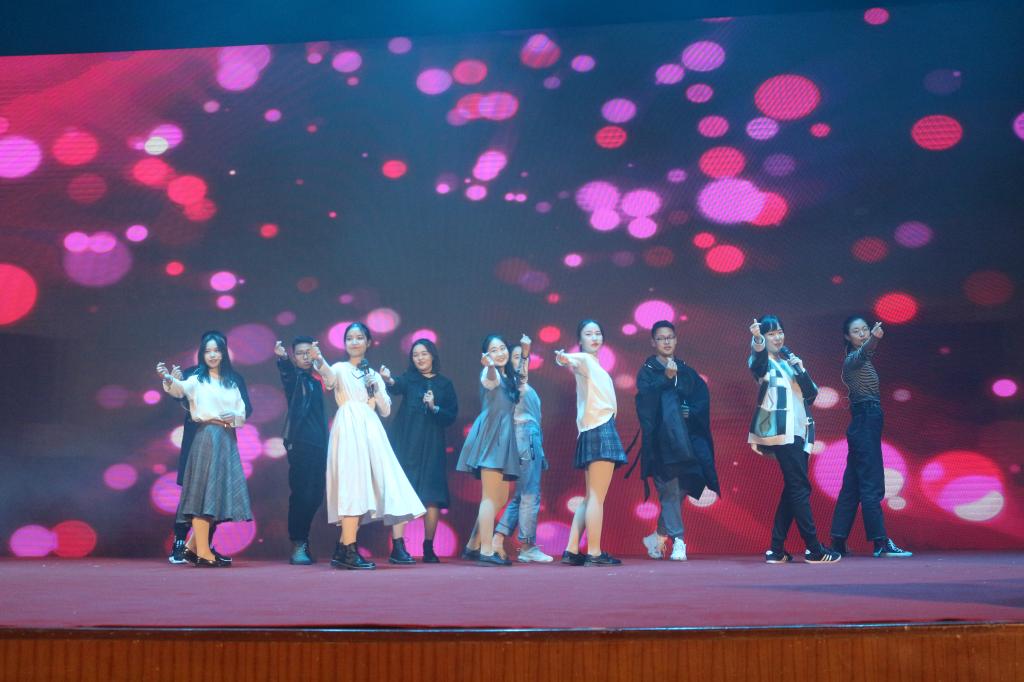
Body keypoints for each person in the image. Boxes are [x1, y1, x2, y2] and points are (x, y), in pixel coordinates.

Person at [312, 323, 425, 570]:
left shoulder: (372, 374)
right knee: (352, 483)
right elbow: (328, 378)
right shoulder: (340, 368)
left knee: (372, 484)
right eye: (349, 338)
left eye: (359, 337)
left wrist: (376, 385)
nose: (354, 342)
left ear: (368, 342)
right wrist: (318, 359)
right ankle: (349, 550)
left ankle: (343, 549)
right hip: (349, 425)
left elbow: (385, 410)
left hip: (372, 430)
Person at [747, 316, 841, 564]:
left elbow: (811, 395)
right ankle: (814, 549)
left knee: (793, 488)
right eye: (771, 334)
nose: (777, 337)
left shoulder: (788, 363)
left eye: (780, 332)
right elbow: (757, 362)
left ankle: (776, 550)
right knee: (799, 488)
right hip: (782, 431)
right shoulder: (763, 362)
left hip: (801, 431)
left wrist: (800, 368)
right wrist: (757, 339)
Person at [157, 331, 253, 567]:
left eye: (216, 350)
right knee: (203, 493)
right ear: (202, 353)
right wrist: (168, 379)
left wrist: (235, 417)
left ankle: (194, 549)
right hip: (207, 436)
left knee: (216, 493)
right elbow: (179, 389)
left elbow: (242, 410)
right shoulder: (197, 378)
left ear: (224, 353)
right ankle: (202, 552)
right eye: (208, 351)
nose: (212, 355)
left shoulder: (231, 381)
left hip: (227, 438)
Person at [632, 320, 719, 561]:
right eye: (661, 338)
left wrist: (690, 411)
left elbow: (700, 398)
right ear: (653, 342)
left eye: (670, 337)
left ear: (676, 339)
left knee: (680, 490)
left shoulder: (686, 370)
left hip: (684, 443)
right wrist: (665, 378)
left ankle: (657, 536)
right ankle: (679, 541)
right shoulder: (648, 371)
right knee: (669, 490)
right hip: (661, 444)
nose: (666, 342)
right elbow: (644, 404)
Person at [829, 317, 912, 558]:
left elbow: (867, 353)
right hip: (865, 421)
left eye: (865, 329)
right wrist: (875, 338)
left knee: (852, 486)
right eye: (857, 331)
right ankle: (880, 542)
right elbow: (865, 351)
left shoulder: (860, 361)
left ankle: (837, 541)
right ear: (847, 337)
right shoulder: (853, 360)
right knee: (871, 483)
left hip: (864, 422)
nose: (863, 333)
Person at [555, 319, 627, 567]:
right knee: (596, 497)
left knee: (589, 497)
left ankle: (571, 549)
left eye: (598, 333)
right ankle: (594, 553)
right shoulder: (585, 360)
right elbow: (571, 360)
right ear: (580, 340)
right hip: (600, 428)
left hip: (593, 429)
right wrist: (563, 358)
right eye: (588, 334)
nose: (594, 337)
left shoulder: (595, 365)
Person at [380, 338, 459, 563]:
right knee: (402, 492)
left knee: (432, 496)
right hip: (407, 443)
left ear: (432, 355)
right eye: (415, 355)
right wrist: (388, 379)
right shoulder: (410, 379)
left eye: (424, 353)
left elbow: (450, 416)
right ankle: (398, 546)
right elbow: (396, 386)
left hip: (432, 446)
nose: (420, 358)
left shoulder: (445, 384)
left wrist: (434, 407)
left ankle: (429, 547)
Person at [456, 334, 524, 566]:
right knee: (489, 496)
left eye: (502, 348)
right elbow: (491, 378)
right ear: (486, 355)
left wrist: (525, 350)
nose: (500, 353)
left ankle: (473, 544)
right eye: (494, 350)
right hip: (491, 435)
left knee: (500, 497)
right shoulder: (490, 373)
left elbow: (520, 372)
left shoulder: (509, 377)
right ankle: (486, 551)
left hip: (504, 437)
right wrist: (491, 366)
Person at [492, 338, 553, 563]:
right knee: (530, 495)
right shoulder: (514, 383)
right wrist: (526, 352)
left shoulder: (518, 386)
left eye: (522, 358)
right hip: (525, 437)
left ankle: (498, 538)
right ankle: (527, 545)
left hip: (530, 438)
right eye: (516, 358)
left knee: (522, 494)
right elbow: (521, 375)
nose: (520, 363)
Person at [274, 336, 329, 565]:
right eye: (300, 353)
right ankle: (298, 543)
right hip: (300, 444)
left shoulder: (319, 381)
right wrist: (283, 360)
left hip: (320, 445)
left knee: (316, 496)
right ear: (294, 357)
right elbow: (287, 374)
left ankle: (302, 539)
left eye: (309, 352)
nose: (305, 357)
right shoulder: (295, 378)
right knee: (301, 495)